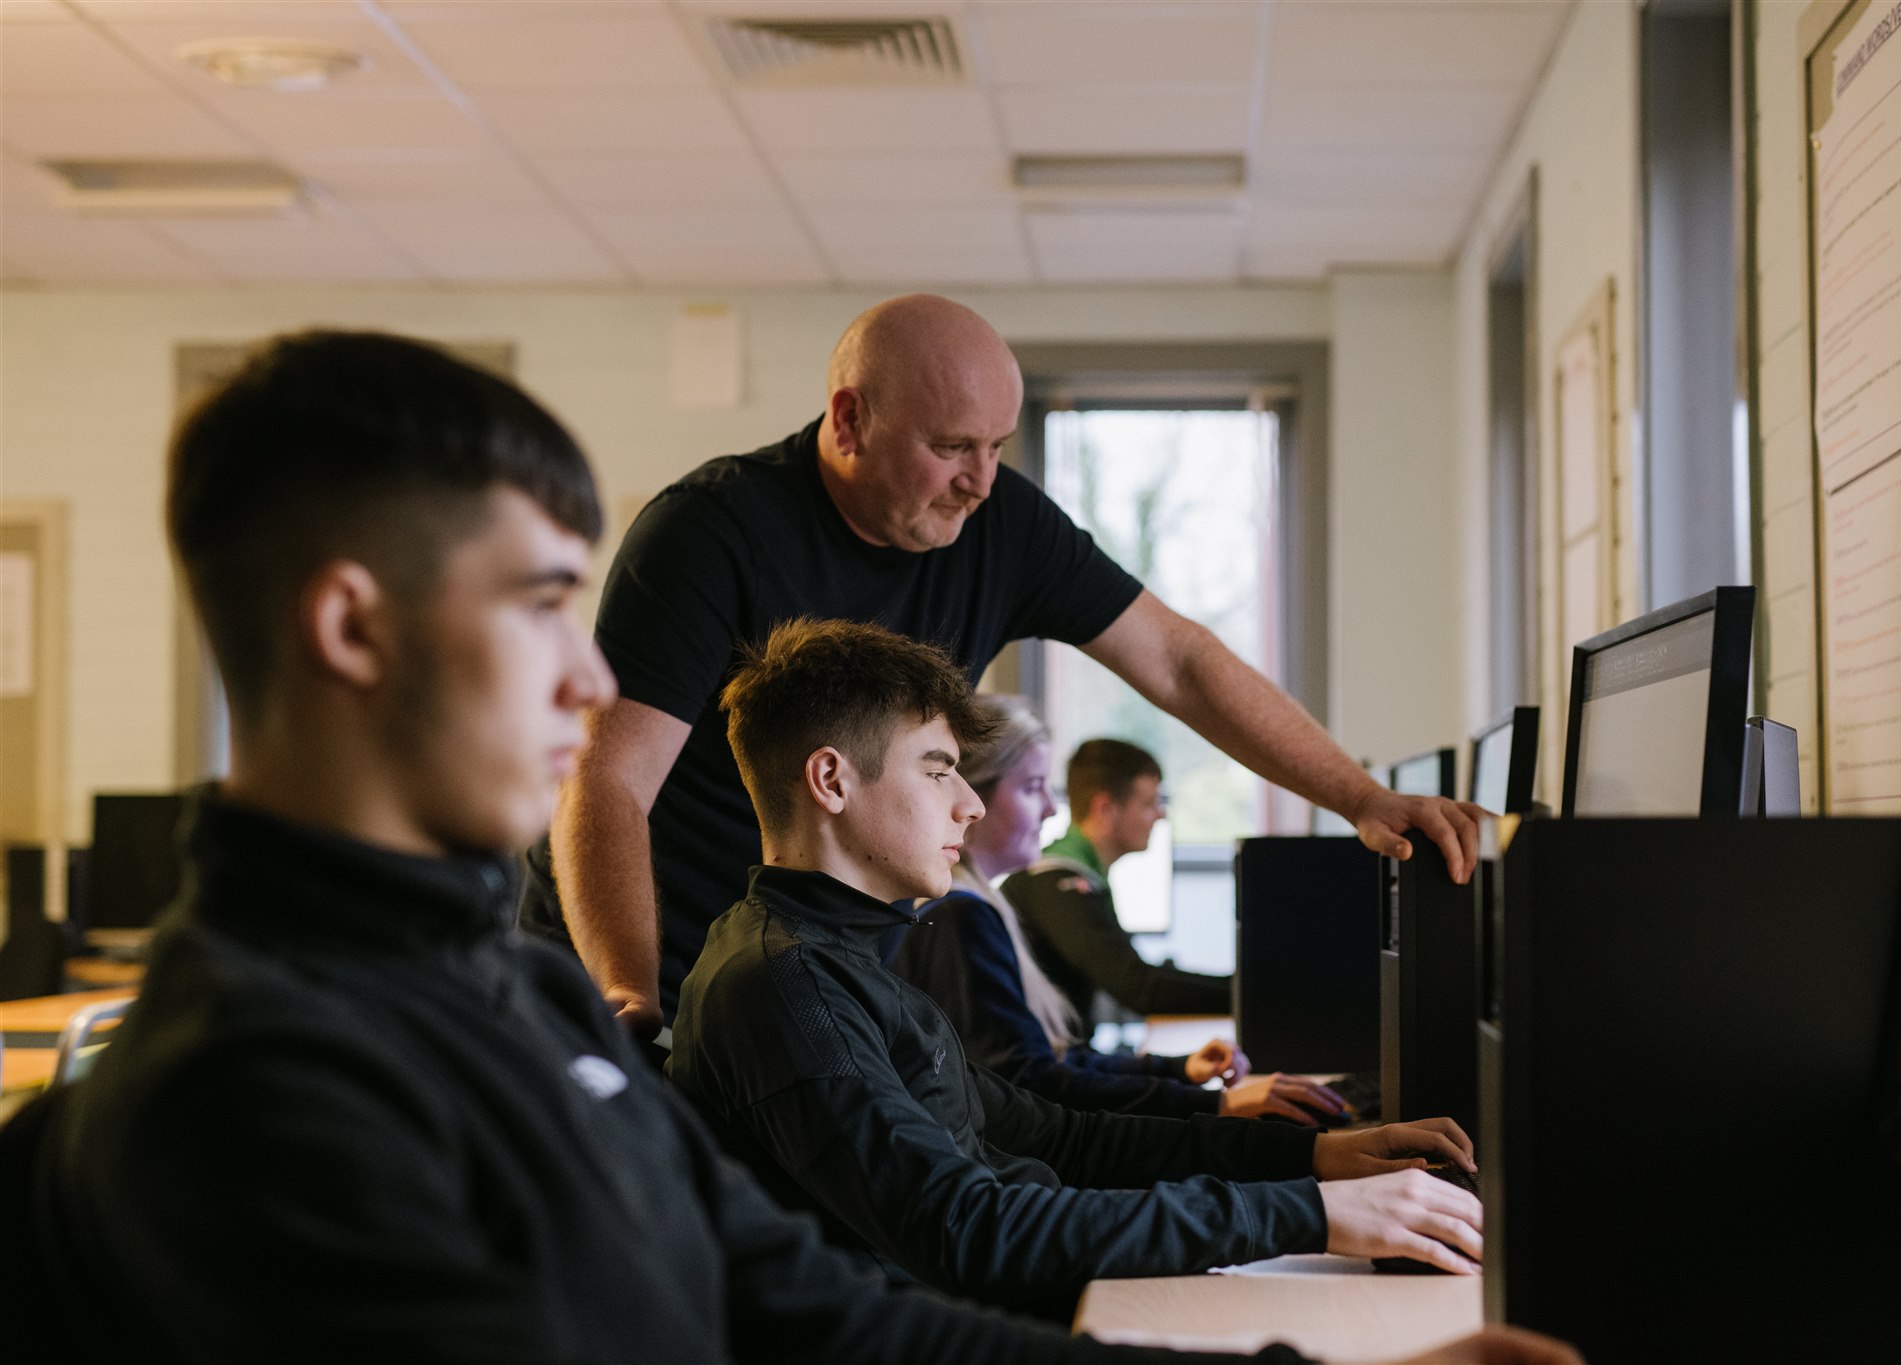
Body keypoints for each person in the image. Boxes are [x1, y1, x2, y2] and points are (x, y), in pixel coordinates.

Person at [0, 329, 1563, 1365]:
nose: (588, 678)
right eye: (542, 606)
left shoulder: (514, 1009)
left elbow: (812, 1302)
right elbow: (609, 795)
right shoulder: (254, 1100)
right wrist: (639, 998)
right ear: (350, 628)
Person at [530, 292, 1486, 1036]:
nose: (980, 480)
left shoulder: (1000, 522)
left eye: (996, 446)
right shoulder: (711, 534)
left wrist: (1359, 796)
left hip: (813, 958)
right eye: (950, 447)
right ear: (849, 418)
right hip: (645, 949)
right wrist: (626, 984)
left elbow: (1180, 661)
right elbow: (607, 780)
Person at [669, 618, 1489, 1323]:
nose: (972, 802)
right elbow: (966, 1228)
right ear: (831, 779)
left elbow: (1057, 1134)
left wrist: (1312, 1159)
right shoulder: (787, 986)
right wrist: (1309, 1214)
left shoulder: (843, 957)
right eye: (936, 767)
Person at [892, 694, 1351, 1124]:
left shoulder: (981, 906)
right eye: (1034, 787)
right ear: (971, 798)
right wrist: (1214, 1103)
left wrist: (1177, 1070)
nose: (1053, 809)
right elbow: (1035, 1087)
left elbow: (1050, 1060)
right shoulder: (962, 915)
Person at [1007, 738, 1233, 1026]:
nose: (1161, 815)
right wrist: (1246, 993)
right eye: (1149, 803)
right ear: (1105, 809)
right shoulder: (1056, 882)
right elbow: (1138, 987)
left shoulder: (1072, 876)